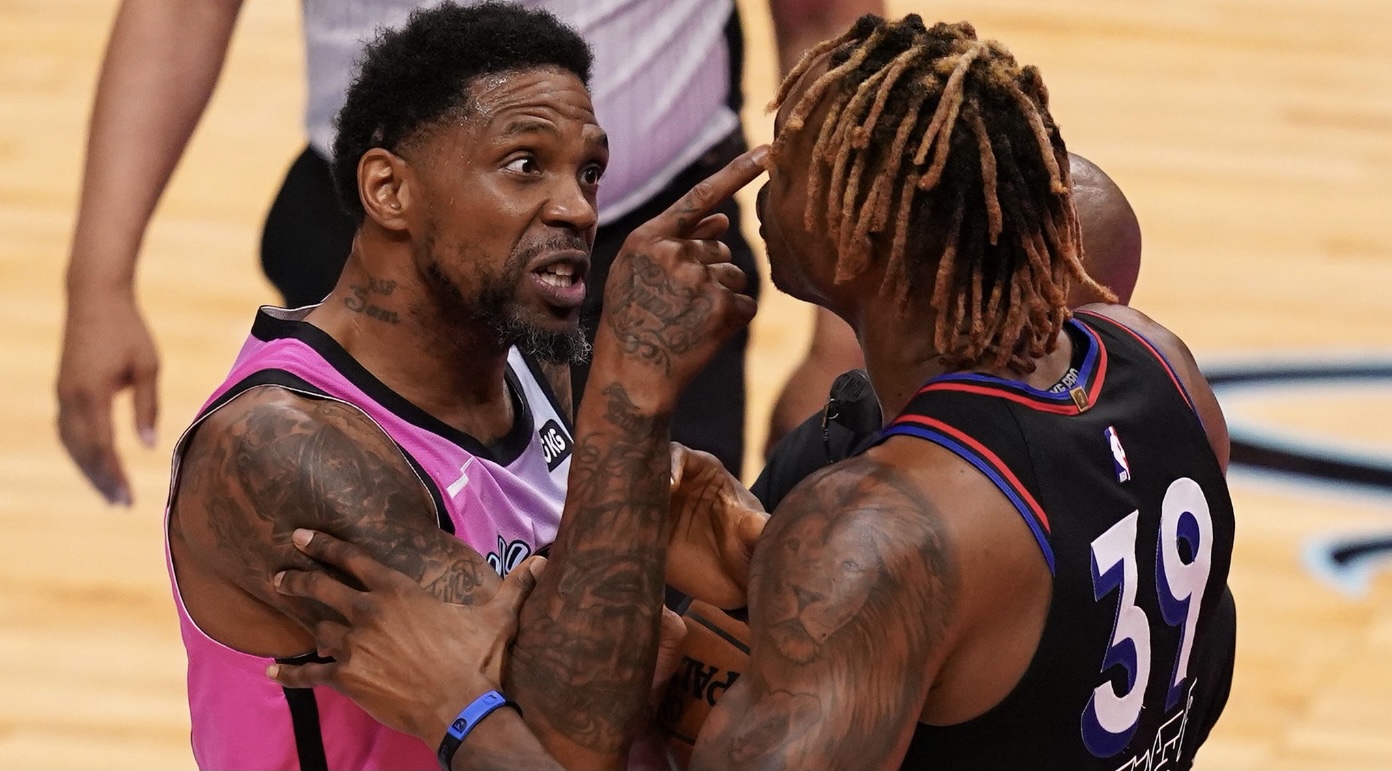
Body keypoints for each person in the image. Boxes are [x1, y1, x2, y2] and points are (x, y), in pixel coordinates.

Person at [267, 14, 1237, 771]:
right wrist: (774, 557)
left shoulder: (879, 535)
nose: (760, 183)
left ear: (862, 237)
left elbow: (933, 567)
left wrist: (456, 704)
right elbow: (1059, 632)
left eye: (794, 159)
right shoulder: (1156, 362)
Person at [160, 5, 765, 768]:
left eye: (588, 172)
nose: (578, 208)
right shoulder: (282, 450)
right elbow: (568, 737)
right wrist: (631, 399)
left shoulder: (524, 359)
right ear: (389, 189)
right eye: (524, 165)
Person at [56, 0, 883, 506]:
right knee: (366, 650)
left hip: (649, 257)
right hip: (379, 269)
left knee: (656, 635)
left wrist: (844, 337)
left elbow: (822, 18)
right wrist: (99, 281)